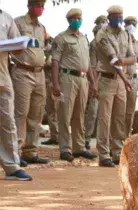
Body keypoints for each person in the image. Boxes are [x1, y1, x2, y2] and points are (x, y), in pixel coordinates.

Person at [51, 8, 98, 162]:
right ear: (69, 20)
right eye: (74, 18)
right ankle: (65, 148)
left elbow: (89, 63)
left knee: (79, 114)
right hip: (67, 78)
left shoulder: (84, 39)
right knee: (65, 114)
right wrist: (56, 83)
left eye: (79, 17)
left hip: (83, 79)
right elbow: (55, 62)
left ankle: (79, 147)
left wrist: (92, 82)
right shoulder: (61, 38)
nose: (77, 20)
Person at [94, 5, 135, 167]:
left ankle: (117, 152)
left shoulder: (125, 34)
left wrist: (122, 62)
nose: (118, 18)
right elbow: (112, 59)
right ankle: (103, 154)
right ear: (109, 17)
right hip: (107, 80)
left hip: (120, 81)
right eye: (115, 16)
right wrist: (126, 80)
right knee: (105, 118)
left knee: (119, 117)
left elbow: (132, 57)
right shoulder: (102, 34)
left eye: (120, 16)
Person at [11, 0, 50, 165]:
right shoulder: (18, 23)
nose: (40, 8)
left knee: (36, 114)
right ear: (30, 5)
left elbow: (44, 47)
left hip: (39, 74)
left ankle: (30, 151)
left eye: (42, 5)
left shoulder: (42, 28)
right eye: (38, 4)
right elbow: (10, 45)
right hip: (22, 71)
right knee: (21, 114)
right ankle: (15, 152)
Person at [0, 8, 32, 180]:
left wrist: (21, 44)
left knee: (8, 123)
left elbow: (17, 49)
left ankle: (12, 167)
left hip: (3, 78)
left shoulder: (6, 18)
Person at [84, 15, 107, 150]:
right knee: (92, 111)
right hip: (97, 80)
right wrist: (94, 84)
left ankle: (103, 140)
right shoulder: (93, 45)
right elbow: (92, 67)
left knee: (103, 113)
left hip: (107, 81)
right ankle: (86, 138)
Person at [124, 16, 138, 137]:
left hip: (133, 81)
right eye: (128, 23)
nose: (131, 26)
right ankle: (114, 141)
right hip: (120, 80)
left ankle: (126, 138)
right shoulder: (119, 42)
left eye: (133, 24)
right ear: (124, 25)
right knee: (117, 112)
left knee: (130, 113)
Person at [41, 36, 59, 146]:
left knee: (53, 111)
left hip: (51, 83)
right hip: (49, 82)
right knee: (52, 111)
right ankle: (55, 135)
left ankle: (56, 136)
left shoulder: (51, 53)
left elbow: (48, 64)